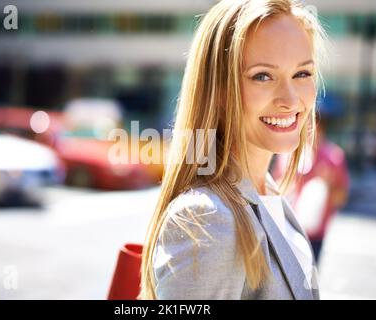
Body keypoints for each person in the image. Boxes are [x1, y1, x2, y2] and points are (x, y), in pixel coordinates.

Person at [139, 0, 327, 300]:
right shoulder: (208, 219)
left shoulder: (269, 194)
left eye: (302, 74)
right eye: (262, 76)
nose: (290, 100)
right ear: (220, 91)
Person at [273, 115, 350, 263]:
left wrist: (328, 183)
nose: (308, 131)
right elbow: (275, 188)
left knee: (307, 282)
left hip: (314, 236)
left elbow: (341, 198)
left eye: (312, 126)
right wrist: (290, 183)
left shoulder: (334, 156)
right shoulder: (288, 153)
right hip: (286, 229)